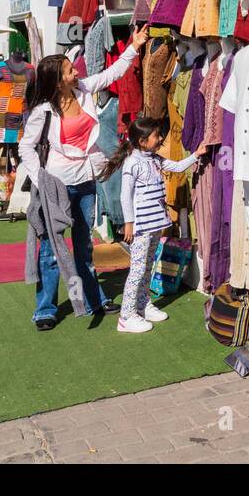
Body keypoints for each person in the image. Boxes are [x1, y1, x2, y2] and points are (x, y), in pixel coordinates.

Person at [20, 25, 148, 329]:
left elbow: (113, 73)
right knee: (52, 249)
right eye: (68, 71)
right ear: (57, 80)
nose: (75, 72)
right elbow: (25, 145)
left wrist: (134, 45)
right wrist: (40, 179)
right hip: (56, 185)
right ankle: (46, 309)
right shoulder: (44, 110)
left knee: (84, 246)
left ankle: (91, 298)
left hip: (86, 182)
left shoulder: (85, 90)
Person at [99, 114, 198, 333]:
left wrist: (197, 155)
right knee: (137, 269)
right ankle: (126, 316)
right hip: (142, 227)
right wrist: (129, 223)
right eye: (156, 136)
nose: (161, 138)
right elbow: (125, 196)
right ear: (143, 141)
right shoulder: (133, 163)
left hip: (155, 225)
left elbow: (179, 167)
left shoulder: (155, 159)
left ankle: (142, 304)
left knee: (147, 266)